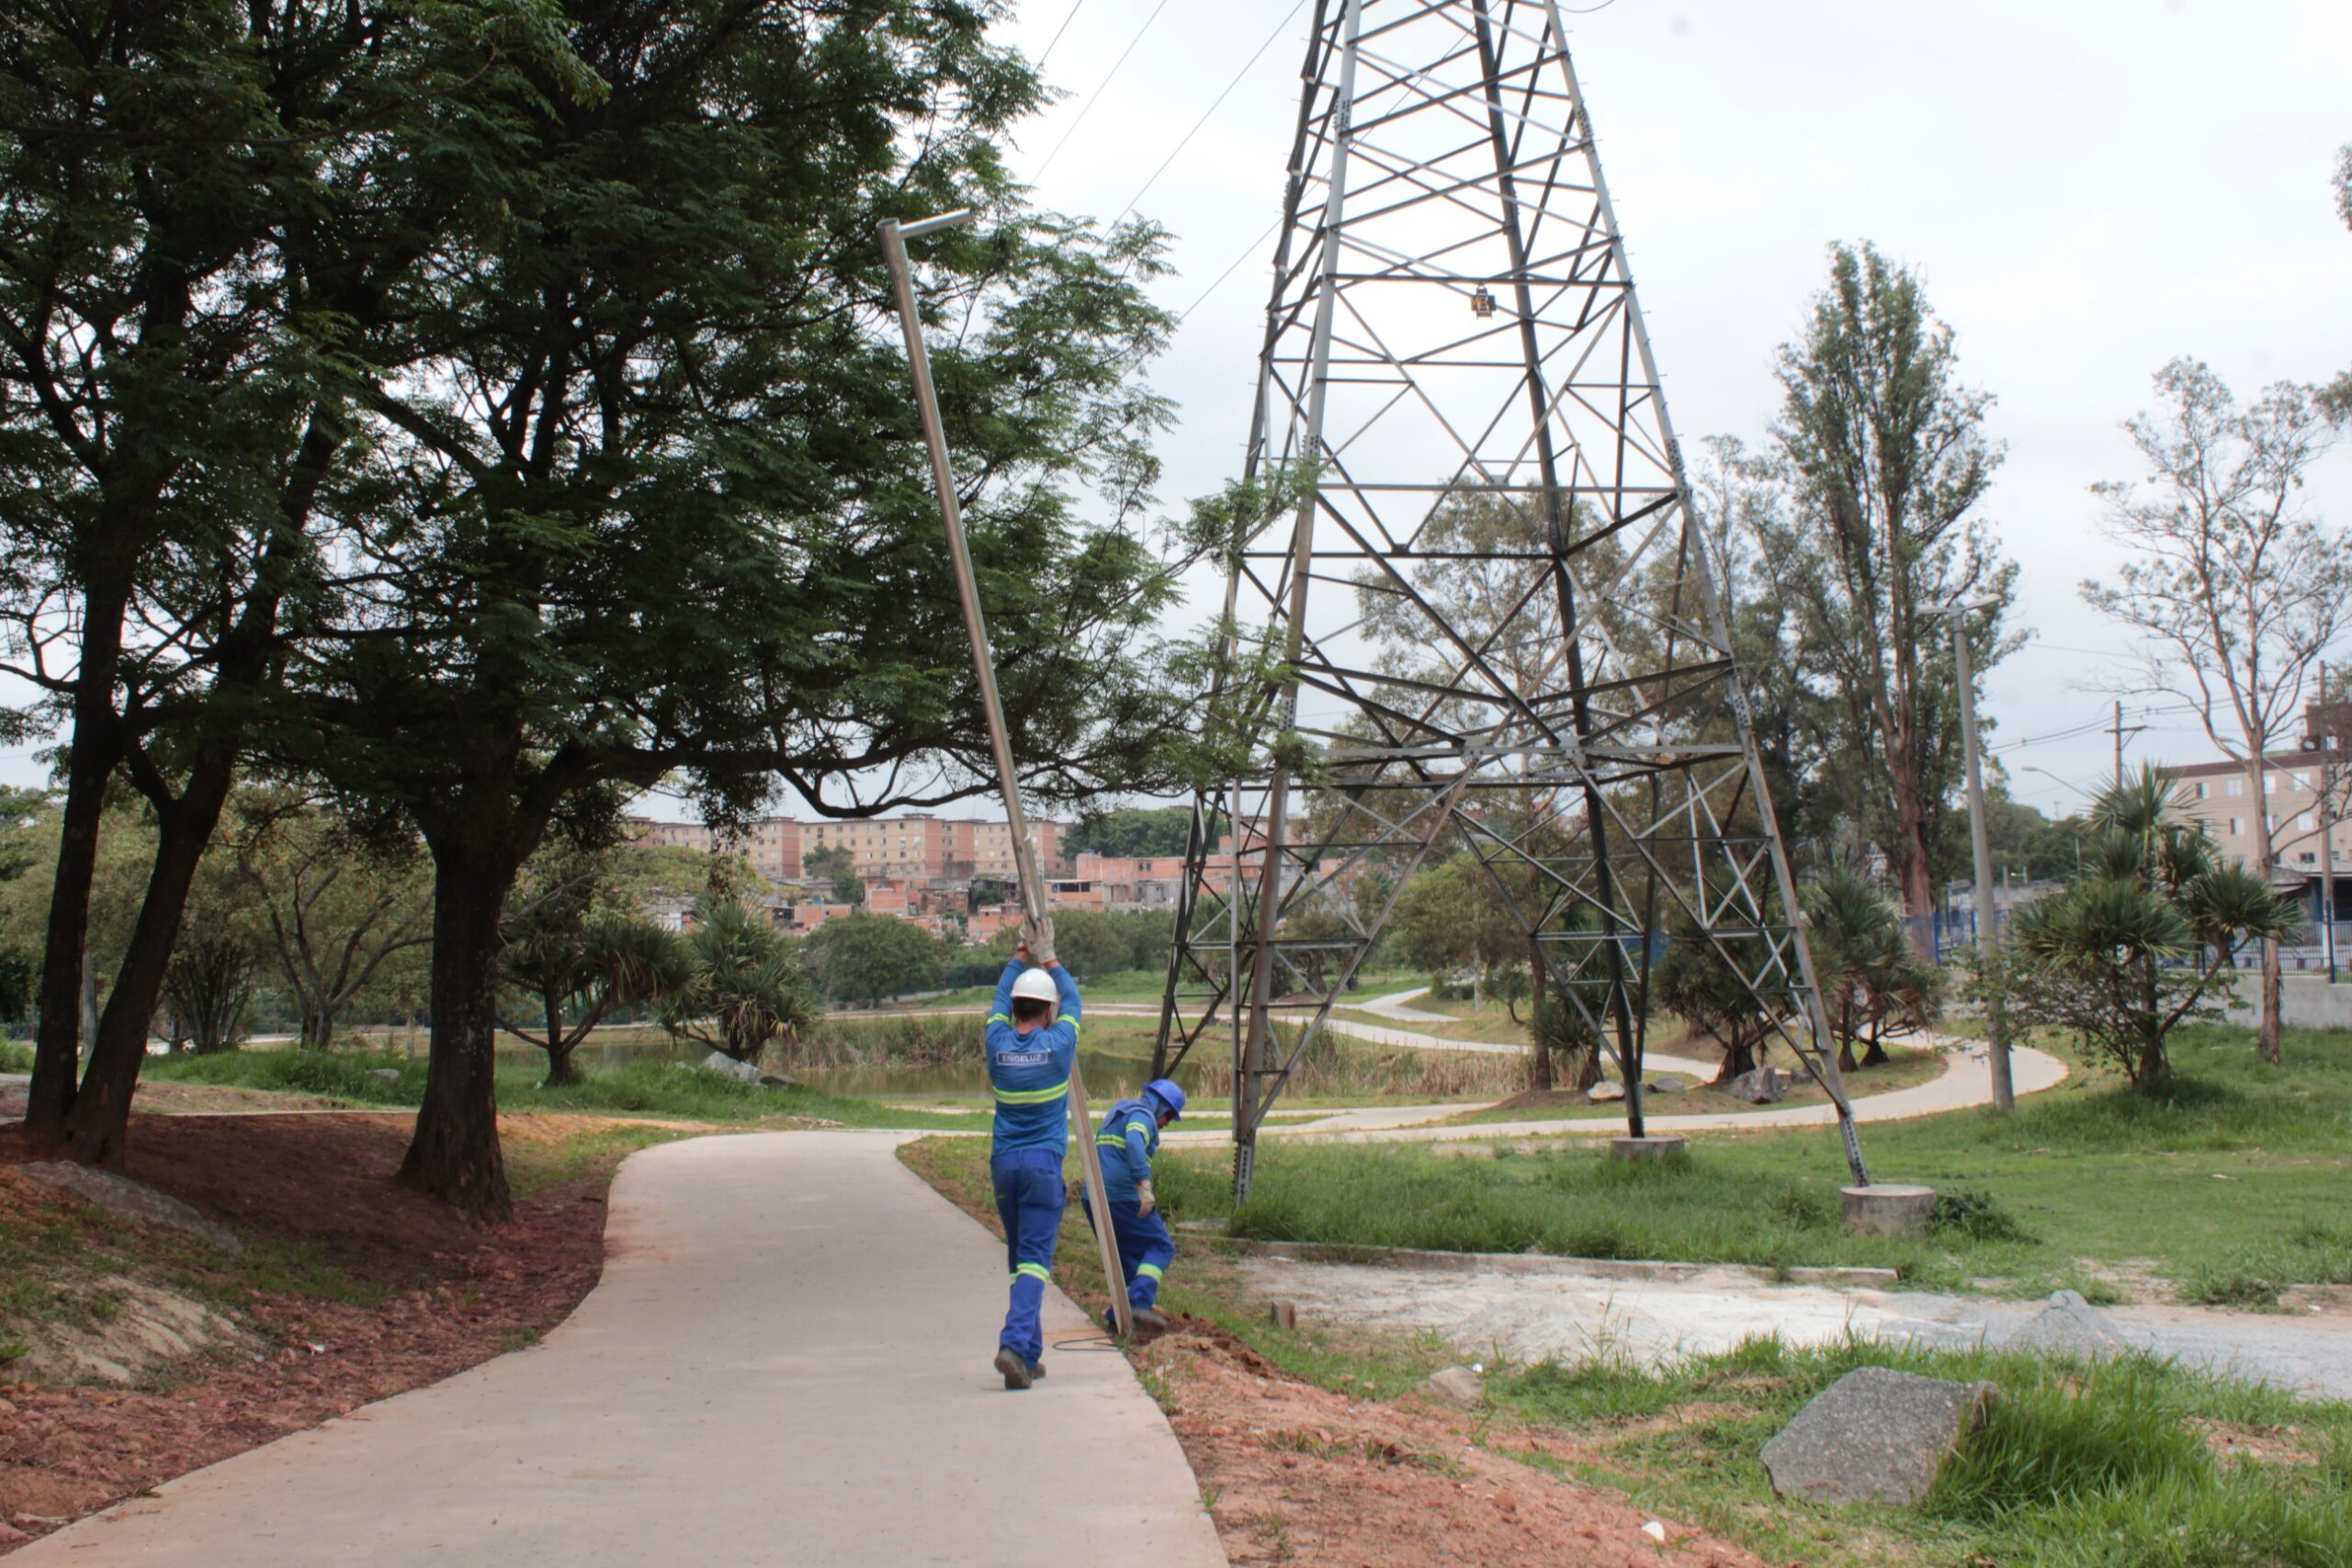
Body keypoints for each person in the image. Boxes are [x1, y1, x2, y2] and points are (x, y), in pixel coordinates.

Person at [985, 931, 1080, 1391]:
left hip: (1004, 1165)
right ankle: (1012, 1342)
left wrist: (1019, 957)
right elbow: (1075, 999)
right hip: (1043, 1167)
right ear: (1047, 1011)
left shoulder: (996, 1044)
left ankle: (1027, 1355)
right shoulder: (1059, 1046)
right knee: (1037, 1261)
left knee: (1021, 1259)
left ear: (1015, 1010)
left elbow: (1000, 998)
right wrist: (1050, 958)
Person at [1084, 1076, 1184, 1337]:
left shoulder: (1120, 1110)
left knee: (1129, 1258)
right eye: (1169, 1117)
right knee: (1160, 1246)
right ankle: (1138, 1306)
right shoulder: (1143, 1116)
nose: (1167, 1124)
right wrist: (1143, 1185)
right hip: (1120, 1196)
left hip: (1092, 1196)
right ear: (1161, 1107)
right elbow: (1134, 1141)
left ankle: (1119, 1320)